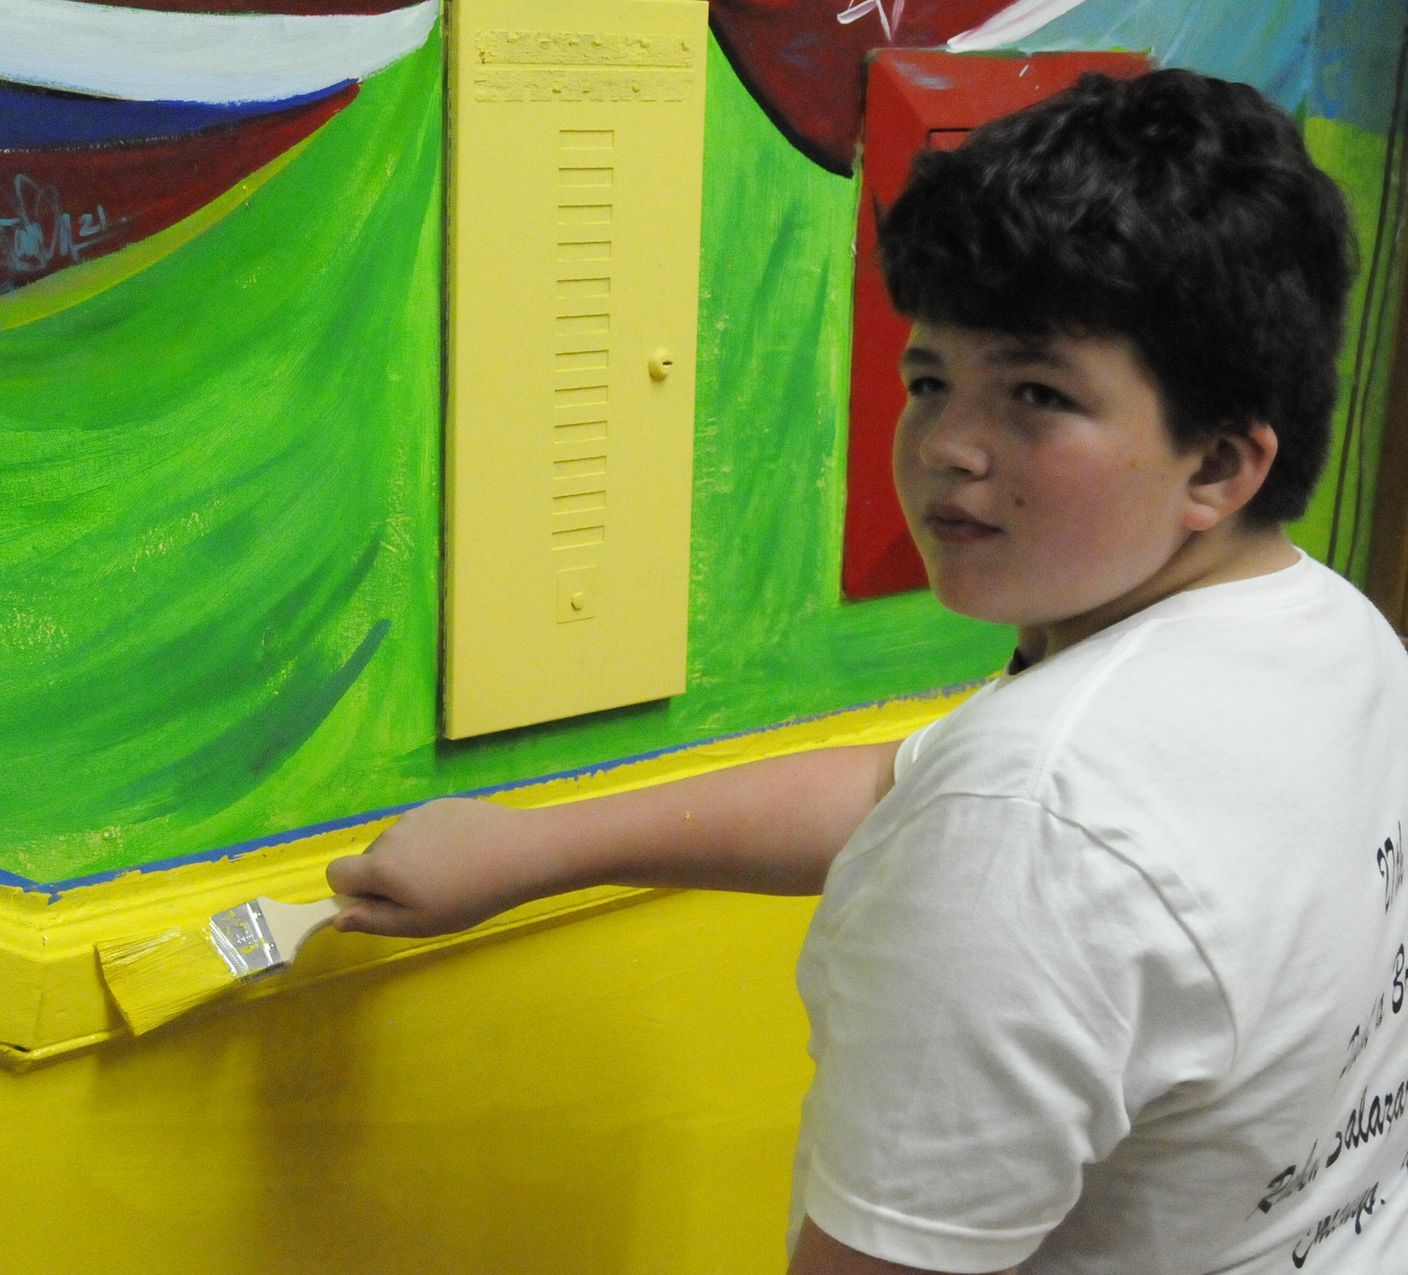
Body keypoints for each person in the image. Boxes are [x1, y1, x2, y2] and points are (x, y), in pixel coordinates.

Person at [326, 68, 1408, 1274]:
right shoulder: (1327, 635)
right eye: (931, 379)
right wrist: (534, 848)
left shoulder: (1033, 830)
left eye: (1039, 396)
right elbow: (915, 790)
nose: (946, 447)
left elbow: (1001, 823)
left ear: (1218, 464)